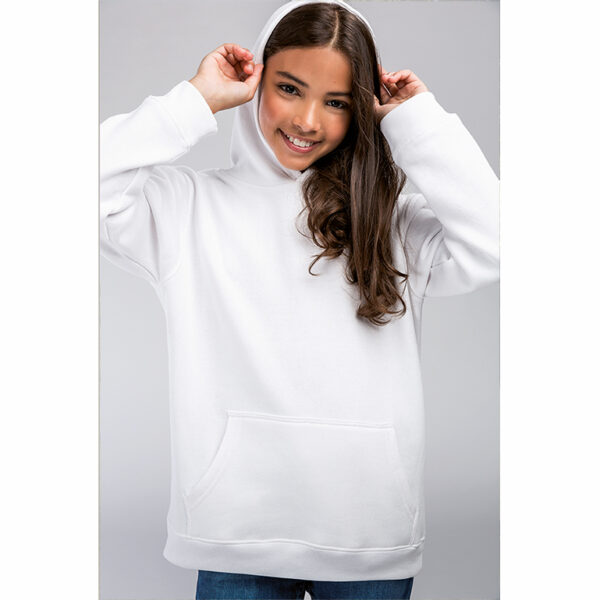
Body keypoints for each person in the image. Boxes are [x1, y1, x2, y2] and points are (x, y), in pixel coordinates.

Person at [100, 0, 499, 598]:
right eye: (289, 88)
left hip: (368, 531)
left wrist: (417, 123)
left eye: (337, 102)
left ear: (361, 108)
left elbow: (496, 241)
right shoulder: (186, 209)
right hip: (237, 528)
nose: (309, 120)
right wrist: (195, 99)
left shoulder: (389, 221)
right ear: (257, 79)